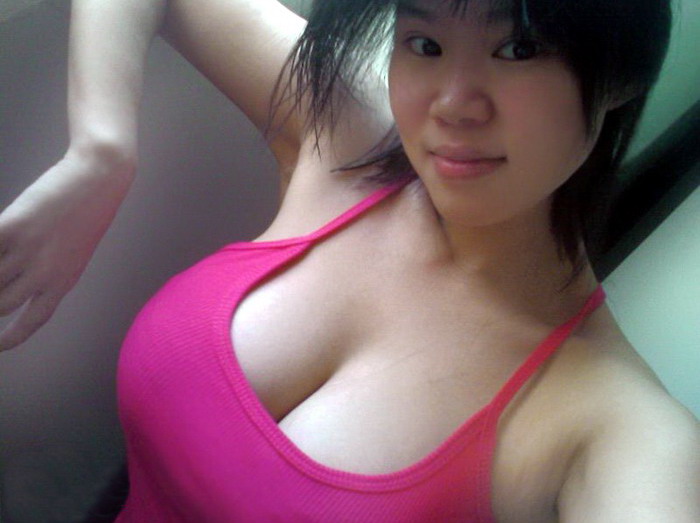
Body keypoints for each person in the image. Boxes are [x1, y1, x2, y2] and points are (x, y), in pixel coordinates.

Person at [1, 0, 699, 521]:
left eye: (518, 49)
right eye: (424, 43)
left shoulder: (615, 427)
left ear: (620, 74)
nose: (453, 104)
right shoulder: (353, 138)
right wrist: (101, 152)